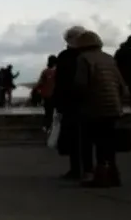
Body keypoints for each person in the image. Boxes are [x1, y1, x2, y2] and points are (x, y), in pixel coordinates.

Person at [73, 30, 127, 187]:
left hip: (93, 107)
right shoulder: (109, 58)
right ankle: (112, 173)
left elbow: (81, 84)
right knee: (108, 142)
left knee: (88, 141)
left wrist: (77, 102)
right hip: (113, 107)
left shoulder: (83, 59)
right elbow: (121, 85)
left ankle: (93, 175)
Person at [52, 25, 86, 180]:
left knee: (74, 138)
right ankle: (90, 169)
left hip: (71, 102)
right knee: (87, 138)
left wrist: (58, 103)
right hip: (89, 101)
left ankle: (76, 169)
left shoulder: (65, 56)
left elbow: (60, 82)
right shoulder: (90, 55)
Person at [114, 35, 131, 112]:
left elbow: (114, 64)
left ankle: (119, 107)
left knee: (119, 91)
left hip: (120, 74)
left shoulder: (119, 52)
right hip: (129, 74)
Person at [37, 55, 58, 131]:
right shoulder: (57, 72)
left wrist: (39, 91)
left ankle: (46, 126)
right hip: (54, 95)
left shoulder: (45, 71)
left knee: (48, 112)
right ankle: (50, 127)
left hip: (46, 95)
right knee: (53, 112)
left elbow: (40, 83)